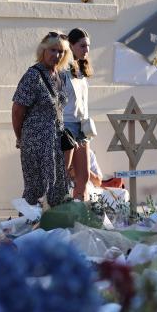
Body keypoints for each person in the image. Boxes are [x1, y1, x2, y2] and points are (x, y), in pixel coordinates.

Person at [12, 31, 72, 207]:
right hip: (36, 140)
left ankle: (52, 228)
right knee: (36, 189)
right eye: (52, 50)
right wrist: (21, 137)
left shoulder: (60, 76)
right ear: (43, 50)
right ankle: (27, 227)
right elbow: (17, 110)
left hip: (56, 141)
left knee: (58, 187)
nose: (57, 55)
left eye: (61, 51)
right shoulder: (33, 75)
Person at [63, 28, 94, 201]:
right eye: (82, 46)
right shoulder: (62, 70)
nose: (86, 50)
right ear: (71, 46)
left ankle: (81, 209)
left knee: (84, 176)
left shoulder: (81, 71)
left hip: (82, 126)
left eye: (88, 46)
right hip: (66, 126)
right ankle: (58, 210)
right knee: (64, 175)